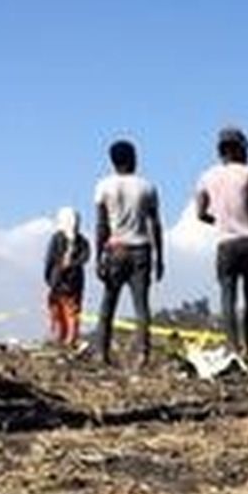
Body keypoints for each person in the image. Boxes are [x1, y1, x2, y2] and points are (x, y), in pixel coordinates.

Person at [196, 127, 248, 357]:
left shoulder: (207, 177)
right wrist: (247, 215)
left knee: (228, 296)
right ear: (238, 150)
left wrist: (218, 219)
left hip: (225, 243)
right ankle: (247, 344)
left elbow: (200, 211)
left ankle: (232, 345)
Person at [94, 139, 164, 367]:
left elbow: (101, 225)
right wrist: (160, 257)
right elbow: (156, 225)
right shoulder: (147, 187)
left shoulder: (103, 186)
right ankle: (143, 353)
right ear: (134, 158)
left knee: (108, 305)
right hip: (141, 249)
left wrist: (98, 257)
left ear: (112, 161)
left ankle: (101, 352)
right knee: (141, 306)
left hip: (116, 249)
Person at [43, 207, 90, 347]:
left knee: (62, 311)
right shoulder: (82, 241)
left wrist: (49, 277)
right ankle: (67, 338)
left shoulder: (58, 238)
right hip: (70, 282)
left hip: (61, 282)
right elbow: (85, 258)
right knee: (65, 311)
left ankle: (65, 338)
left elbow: (49, 259)